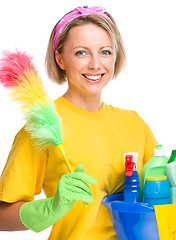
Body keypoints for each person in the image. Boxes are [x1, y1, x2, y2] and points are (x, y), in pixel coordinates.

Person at [0, 6, 157, 240]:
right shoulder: (40, 128)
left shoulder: (134, 123)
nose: (95, 64)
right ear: (60, 58)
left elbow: (162, 193)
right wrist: (52, 208)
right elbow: (2, 217)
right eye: (81, 53)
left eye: (105, 52)